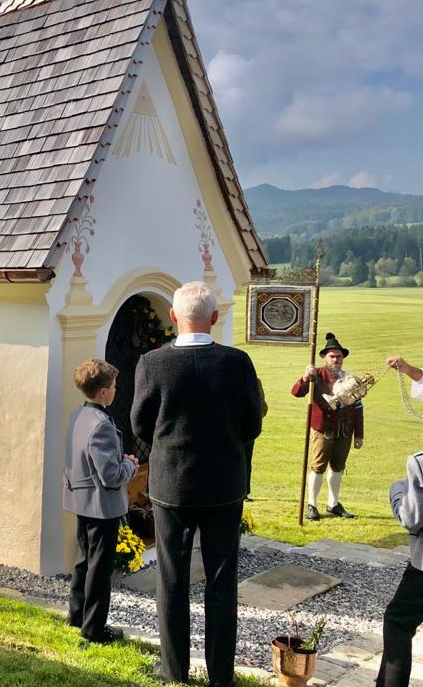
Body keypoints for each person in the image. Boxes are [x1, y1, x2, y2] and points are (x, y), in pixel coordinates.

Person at [131, 281, 262, 687]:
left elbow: (139, 424)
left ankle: (175, 672)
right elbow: (252, 422)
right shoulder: (237, 363)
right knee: (222, 580)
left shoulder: (152, 364)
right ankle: (220, 676)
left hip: (172, 486)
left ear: (173, 317)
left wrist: (166, 451)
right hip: (224, 485)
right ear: (215, 317)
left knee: (171, 578)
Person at [63, 359, 138, 644]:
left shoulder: (78, 415)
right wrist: (129, 465)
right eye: (115, 386)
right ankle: (94, 628)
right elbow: (110, 475)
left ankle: (76, 614)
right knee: (100, 568)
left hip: (81, 498)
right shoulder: (101, 425)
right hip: (101, 506)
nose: (117, 390)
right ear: (104, 392)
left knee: (84, 560)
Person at [375, 355, 423, 687]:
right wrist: (407, 370)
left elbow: (413, 518)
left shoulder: (418, 464)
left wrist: (397, 491)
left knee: (397, 621)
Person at [291, 332, 363, 521]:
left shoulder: (350, 379)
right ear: (325, 358)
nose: (336, 359)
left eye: (339, 356)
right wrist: (306, 377)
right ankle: (312, 505)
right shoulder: (317, 375)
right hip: (323, 429)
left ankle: (333, 504)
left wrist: (359, 434)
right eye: (332, 356)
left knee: (338, 467)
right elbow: (296, 392)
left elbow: (358, 408)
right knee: (318, 467)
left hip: (345, 430)